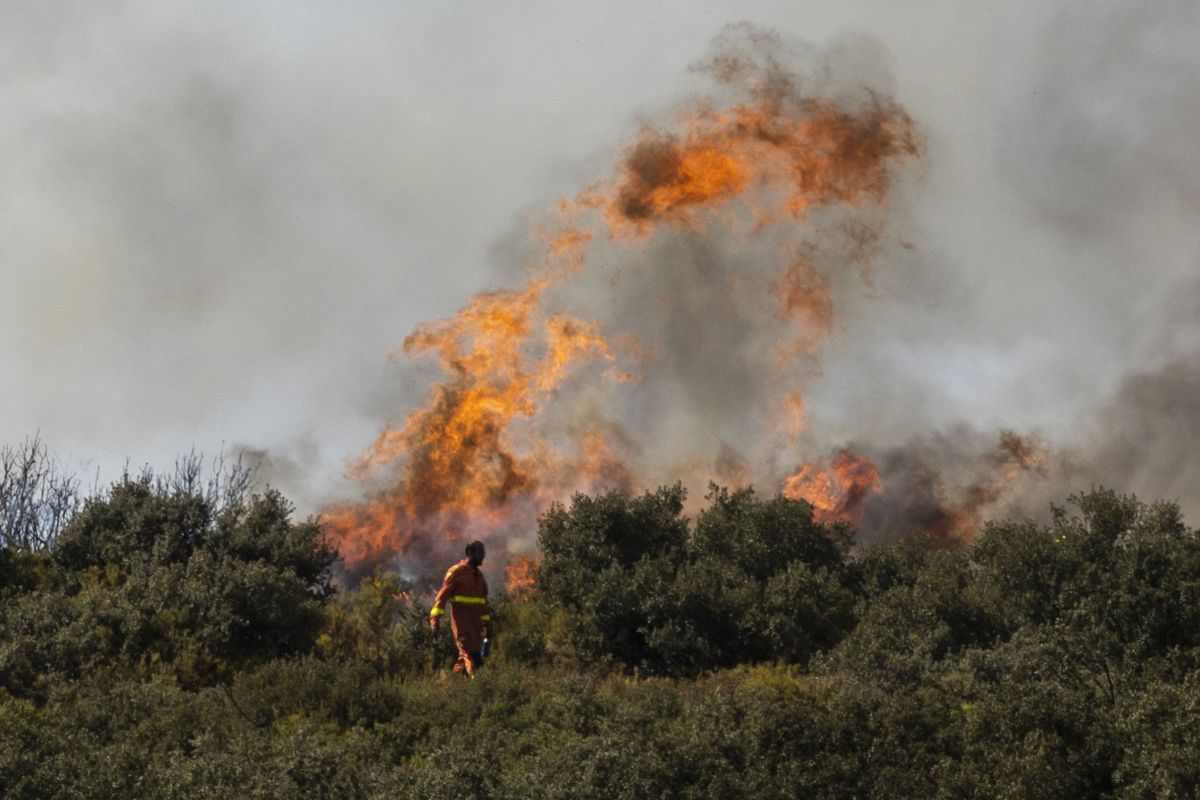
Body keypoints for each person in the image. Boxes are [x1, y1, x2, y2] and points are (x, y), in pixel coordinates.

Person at [429, 540, 493, 676]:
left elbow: (483, 604)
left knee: (464, 661)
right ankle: (482, 690)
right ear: (470, 553)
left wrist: (488, 626)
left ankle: (453, 686)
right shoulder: (456, 573)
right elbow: (441, 597)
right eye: (480, 552)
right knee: (474, 660)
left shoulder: (479, 577)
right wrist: (435, 621)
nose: (483, 555)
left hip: (476, 629)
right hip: (462, 627)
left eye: (484, 552)